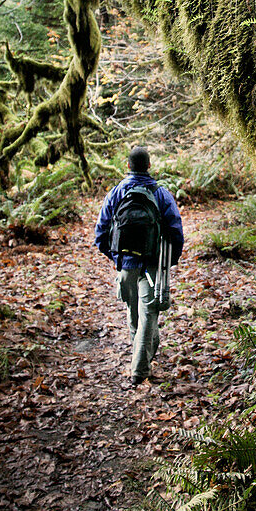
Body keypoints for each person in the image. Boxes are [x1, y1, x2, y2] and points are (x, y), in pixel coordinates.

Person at [95, 147, 184, 386]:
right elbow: (176, 230)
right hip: (152, 263)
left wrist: (115, 259)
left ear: (128, 166)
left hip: (126, 264)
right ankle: (140, 368)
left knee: (134, 312)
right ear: (149, 167)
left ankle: (140, 361)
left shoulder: (116, 193)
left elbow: (100, 232)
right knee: (149, 313)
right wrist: (169, 262)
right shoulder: (161, 193)